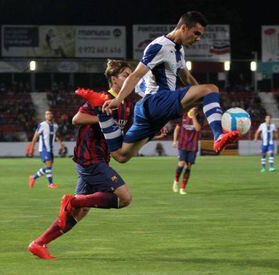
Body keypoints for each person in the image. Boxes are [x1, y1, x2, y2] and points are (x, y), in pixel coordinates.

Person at [75, 11, 239, 165]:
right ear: (183, 27)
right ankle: (218, 135)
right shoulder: (159, 46)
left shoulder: (178, 49)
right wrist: (118, 99)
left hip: (150, 111)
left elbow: (186, 77)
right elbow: (136, 75)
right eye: (196, 33)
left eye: (200, 36)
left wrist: (203, 100)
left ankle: (103, 115)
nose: (198, 38)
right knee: (211, 88)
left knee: (121, 155)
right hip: (155, 101)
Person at [27, 60, 134, 260]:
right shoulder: (102, 99)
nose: (131, 78)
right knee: (124, 198)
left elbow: (126, 130)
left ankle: (38, 243)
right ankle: (71, 200)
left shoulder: (127, 104)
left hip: (102, 158)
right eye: (125, 75)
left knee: (81, 211)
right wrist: (103, 118)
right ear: (113, 80)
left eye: (131, 74)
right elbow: (77, 119)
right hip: (89, 157)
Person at [27, 111, 63, 189]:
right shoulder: (42, 125)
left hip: (50, 149)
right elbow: (35, 136)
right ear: (45, 116)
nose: (49, 115)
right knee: (49, 165)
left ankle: (33, 177)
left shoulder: (55, 126)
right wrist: (31, 148)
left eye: (50, 114)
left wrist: (61, 145)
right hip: (43, 149)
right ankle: (50, 184)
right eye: (47, 114)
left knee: (48, 167)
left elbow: (56, 136)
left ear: (52, 115)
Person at [172, 107, 203, 195]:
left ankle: (182, 188)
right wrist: (174, 141)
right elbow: (177, 128)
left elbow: (197, 129)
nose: (193, 108)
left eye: (195, 107)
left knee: (188, 166)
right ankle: (176, 180)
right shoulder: (183, 115)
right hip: (182, 144)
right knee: (181, 163)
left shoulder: (199, 117)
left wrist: (193, 117)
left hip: (193, 146)